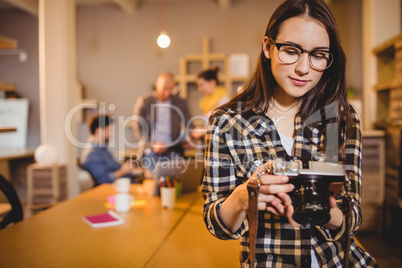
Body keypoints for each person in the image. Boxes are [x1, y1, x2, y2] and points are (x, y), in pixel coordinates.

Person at [201, 0, 378, 267]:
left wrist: (320, 209)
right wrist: (242, 197)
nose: (303, 68)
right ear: (268, 47)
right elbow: (218, 227)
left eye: (318, 55)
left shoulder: (338, 118)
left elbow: (351, 218)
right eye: (292, 50)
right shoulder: (228, 123)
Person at [132, 71, 193, 175]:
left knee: (180, 178)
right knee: (158, 178)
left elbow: (190, 124)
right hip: (151, 151)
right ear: (156, 85)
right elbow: (137, 128)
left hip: (174, 150)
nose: (167, 93)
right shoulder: (144, 101)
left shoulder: (180, 102)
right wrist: (152, 144)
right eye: (164, 88)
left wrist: (191, 138)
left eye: (170, 89)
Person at [80, 114, 141, 185]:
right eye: (109, 130)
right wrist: (123, 171)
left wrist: (129, 169)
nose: (111, 133)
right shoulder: (92, 154)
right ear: (99, 131)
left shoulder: (102, 149)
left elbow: (115, 167)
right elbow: (104, 180)